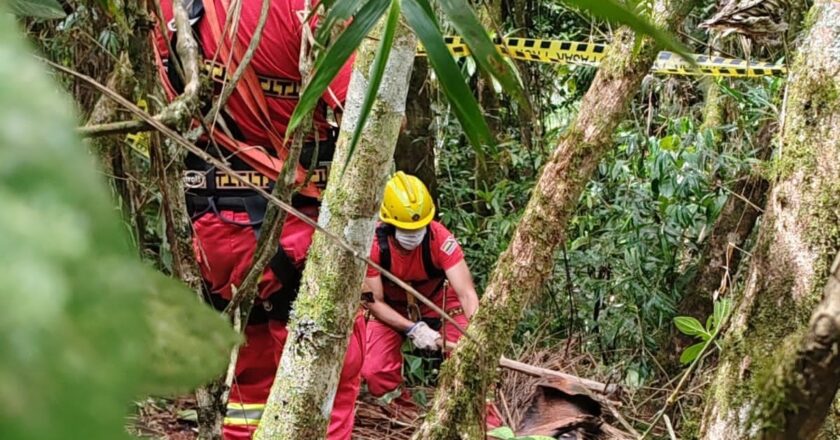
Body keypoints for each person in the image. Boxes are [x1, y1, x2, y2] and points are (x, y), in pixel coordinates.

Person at [151, 1, 364, 439]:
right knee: (328, 375)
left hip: (211, 226)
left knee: (252, 383)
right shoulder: (307, 7)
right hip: (290, 227)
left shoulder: (172, 8)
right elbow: (363, 113)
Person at [361, 172, 500, 426]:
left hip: (439, 304)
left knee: (469, 363)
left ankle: (487, 426)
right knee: (375, 369)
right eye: (406, 229)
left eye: (418, 227)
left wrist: (477, 335)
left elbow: (466, 293)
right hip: (392, 310)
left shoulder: (439, 239)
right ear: (390, 224)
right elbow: (374, 302)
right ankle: (407, 419)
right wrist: (412, 328)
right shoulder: (373, 244)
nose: (413, 234)